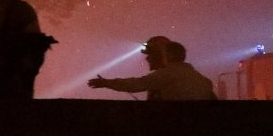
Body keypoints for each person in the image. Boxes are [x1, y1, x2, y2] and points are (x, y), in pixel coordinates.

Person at [87, 36, 217, 100]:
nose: (147, 59)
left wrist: (106, 83)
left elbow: (137, 84)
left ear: (165, 55)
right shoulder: (203, 80)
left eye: (152, 54)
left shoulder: (166, 75)